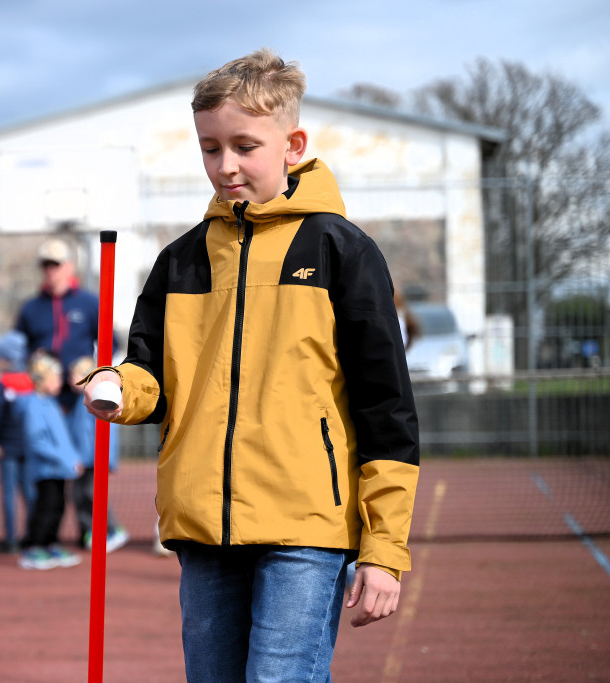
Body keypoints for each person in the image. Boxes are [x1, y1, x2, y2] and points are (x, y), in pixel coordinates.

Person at [82, 49, 420, 681]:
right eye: (210, 148)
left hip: (307, 527)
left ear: (292, 144)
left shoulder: (341, 251)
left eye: (244, 145)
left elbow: (387, 406)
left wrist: (384, 548)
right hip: (203, 526)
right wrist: (116, 385)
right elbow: (151, 375)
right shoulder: (180, 260)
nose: (226, 164)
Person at [14, 238, 103, 410]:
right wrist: (35, 367)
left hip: (81, 393)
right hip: (43, 394)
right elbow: (18, 348)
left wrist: (91, 371)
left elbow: (111, 342)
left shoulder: (88, 303)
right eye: (46, 265)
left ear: (69, 266)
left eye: (56, 265)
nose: (50, 271)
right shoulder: (31, 307)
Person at [17, 351, 83, 570]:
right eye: (54, 377)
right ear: (41, 380)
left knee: (59, 506)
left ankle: (51, 542)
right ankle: (34, 546)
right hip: (45, 470)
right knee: (46, 507)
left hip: (59, 470)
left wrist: (72, 458)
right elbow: (38, 441)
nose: (59, 381)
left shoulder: (52, 404)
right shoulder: (35, 405)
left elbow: (62, 439)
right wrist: (65, 459)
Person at [65, 355, 129, 553]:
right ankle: (90, 531)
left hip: (93, 460)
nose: (70, 379)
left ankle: (112, 530)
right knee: (79, 496)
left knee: (93, 495)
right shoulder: (79, 401)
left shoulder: (97, 400)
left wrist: (108, 461)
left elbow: (106, 432)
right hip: (82, 459)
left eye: (75, 375)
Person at [0, 331, 36, 554]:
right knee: (30, 490)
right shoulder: (30, 382)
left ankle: (11, 538)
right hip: (28, 445)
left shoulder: (4, 383)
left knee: (8, 492)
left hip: (7, 446)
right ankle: (35, 534)